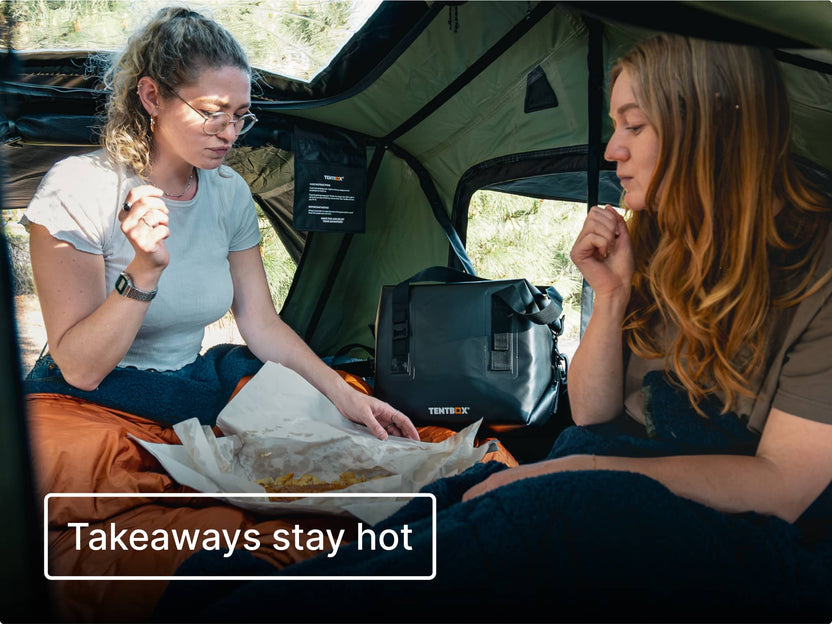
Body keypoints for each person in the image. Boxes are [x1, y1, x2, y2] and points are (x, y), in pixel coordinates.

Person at [154, 34, 832, 622]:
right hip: (619, 471)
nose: (611, 148)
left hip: (762, 543)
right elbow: (596, 415)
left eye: (634, 125)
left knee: (548, 510)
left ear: (704, 128)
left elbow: (782, 488)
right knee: (450, 497)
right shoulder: (663, 243)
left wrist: (573, 472)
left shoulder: (820, 267)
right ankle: (277, 594)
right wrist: (613, 293)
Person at [22, 7, 418, 441]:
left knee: (331, 443)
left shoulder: (229, 193)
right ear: (152, 97)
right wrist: (144, 271)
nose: (229, 133)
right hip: (92, 402)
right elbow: (80, 369)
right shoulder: (79, 187)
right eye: (214, 112)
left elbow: (261, 324)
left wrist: (345, 396)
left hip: (192, 386)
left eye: (241, 116)